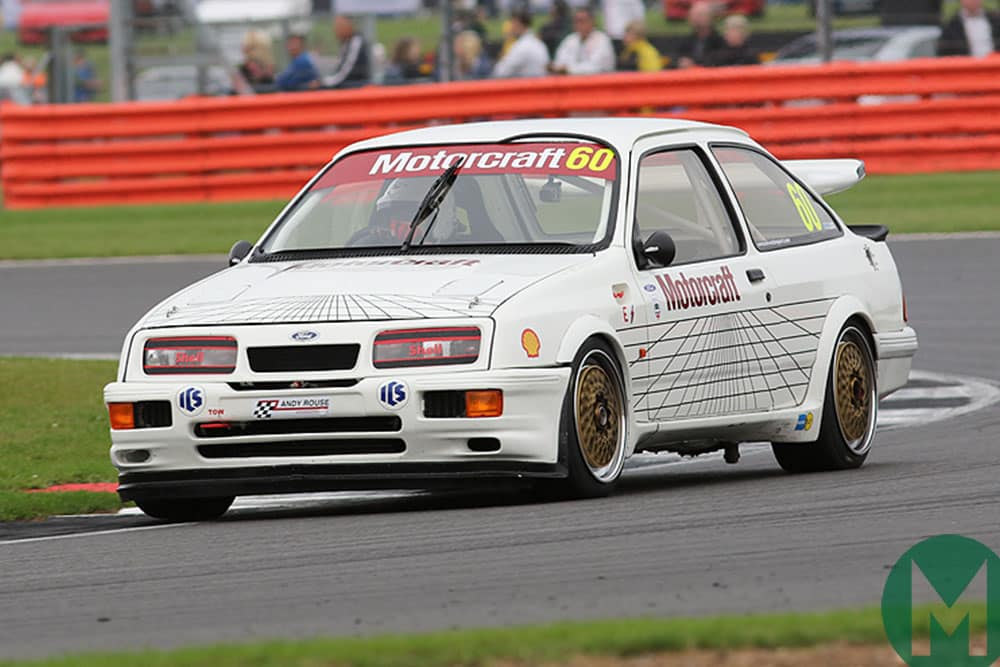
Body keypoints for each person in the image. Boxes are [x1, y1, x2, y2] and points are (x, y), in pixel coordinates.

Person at [549, 7, 616, 75]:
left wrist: (568, 69)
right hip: (572, 82)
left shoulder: (602, 40)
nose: (579, 24)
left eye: (582, 21)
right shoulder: (570, 39)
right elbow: (560, 62)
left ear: (592, 21)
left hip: (599, 82)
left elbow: (596, 67)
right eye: (576, 21)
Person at [492, 10, 550, 78]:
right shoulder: (539, 44)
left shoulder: (522, 46)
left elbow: (500, 72)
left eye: (512, 23)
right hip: (536, 84)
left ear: (518, 23)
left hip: (528, 85)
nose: (511, 28)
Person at [674, 0, 725, 68]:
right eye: (693, 15)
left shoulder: (720, 41)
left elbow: (720, 61)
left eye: (700, 15)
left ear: (710, 17)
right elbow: (676, 58)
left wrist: (694, 64)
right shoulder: (686, 41)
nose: (696, 18)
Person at [323, 15, 370, 89]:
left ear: (349, 26)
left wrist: (324, 83)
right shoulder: (345, 44)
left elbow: (345, 72)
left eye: (339, 27)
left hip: (357, 90)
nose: (336, 30)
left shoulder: (356, 42)